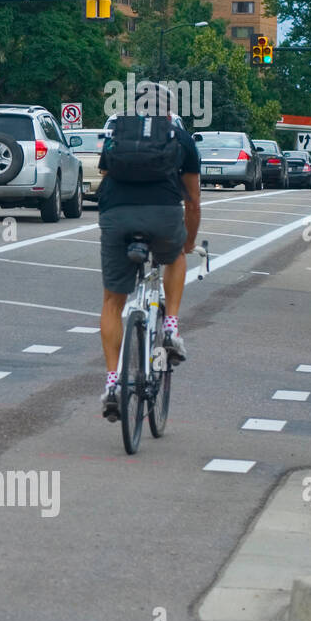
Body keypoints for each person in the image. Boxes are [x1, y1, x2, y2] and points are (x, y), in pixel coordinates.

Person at [98, 92, 201, 421]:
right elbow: (194, 200)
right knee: (175, 257)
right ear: (170, 110)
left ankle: (112, 384)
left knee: (113, 300)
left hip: (117, 214)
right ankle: (170, 328)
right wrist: (188, 242)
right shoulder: (180, 137)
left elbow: (105, 178)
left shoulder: (118, 133)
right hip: (164, 214)